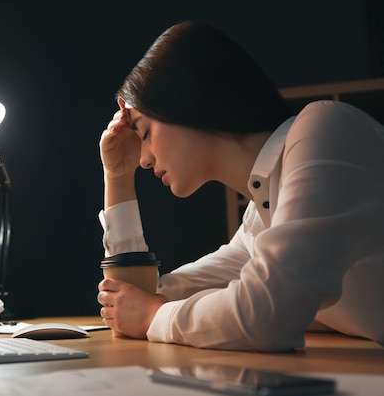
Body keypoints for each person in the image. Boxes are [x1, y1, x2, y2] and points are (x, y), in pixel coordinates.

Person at [96, 20, 384, 352]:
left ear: (188, 99)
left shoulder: (327, 130)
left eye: (145, 133)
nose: (143, 159)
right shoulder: (259, 223)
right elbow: (135, 300)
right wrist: (117, 176)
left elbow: (265, 314)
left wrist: (154, 317)